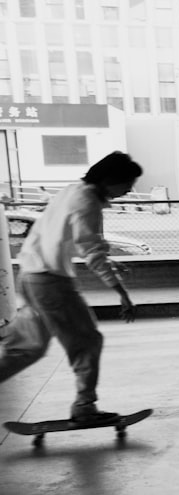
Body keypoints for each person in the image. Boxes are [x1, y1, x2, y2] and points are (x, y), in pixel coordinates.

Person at [0, 151, 140, 422]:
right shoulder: (88, 202)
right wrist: (122, 294)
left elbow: (70, 237)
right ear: (110, 180)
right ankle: (85, 407)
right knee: (87, 341)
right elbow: (92, 252)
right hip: (52, 283)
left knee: (27, 348)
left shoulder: (73, 191)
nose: (129, 190)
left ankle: (85, 405)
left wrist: (107, 260)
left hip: (30, 275)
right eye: (128, 184)